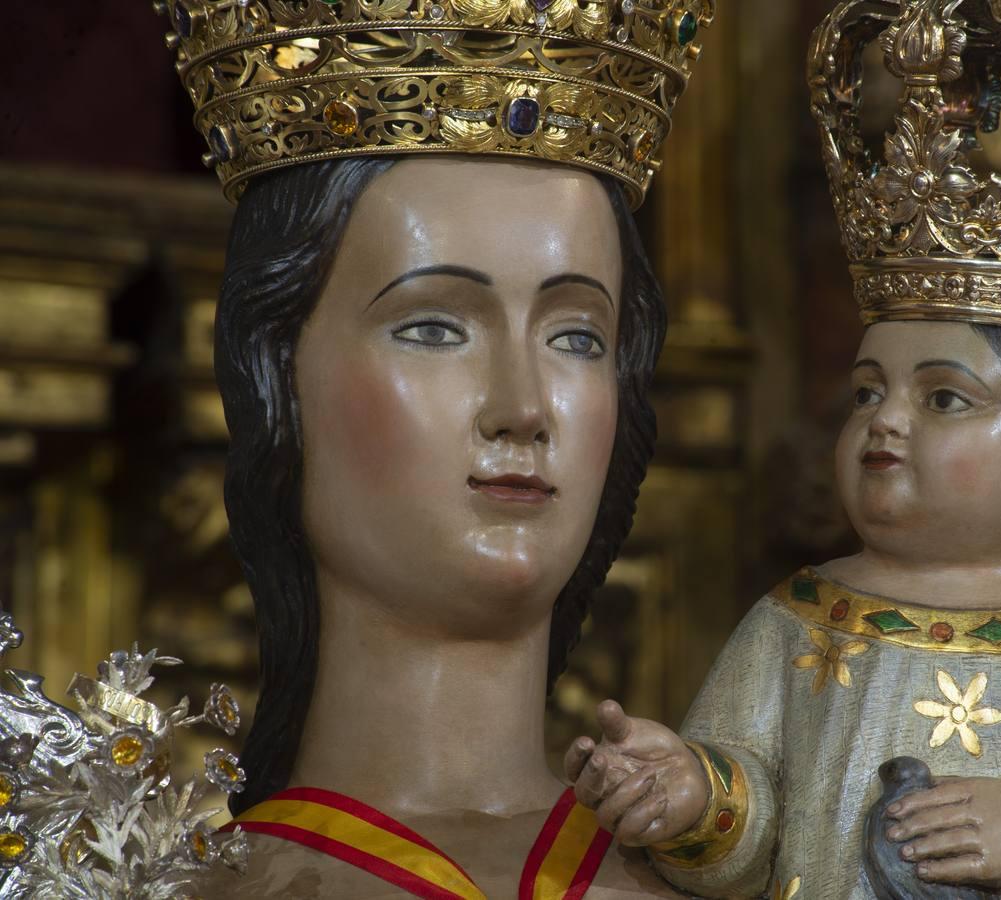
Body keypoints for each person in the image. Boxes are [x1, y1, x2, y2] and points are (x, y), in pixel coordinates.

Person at [562, 0, 1001, 895]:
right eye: (866, 393)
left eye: (943, 398)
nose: (885, 421)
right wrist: (694, 795)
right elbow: (754, 819)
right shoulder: (796, 619)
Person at [153, 0, 716, 895]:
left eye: (576, 338)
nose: (523, 408)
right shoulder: (179, 883)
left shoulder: (732, 863)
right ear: (276, 379)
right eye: (432, 328)